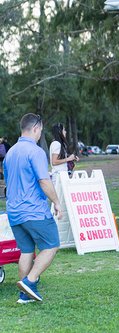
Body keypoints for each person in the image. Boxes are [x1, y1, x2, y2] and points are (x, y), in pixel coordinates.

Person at [3, 113, 62, 303]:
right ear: (35, 128)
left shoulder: (10, 153)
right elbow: (44, 181)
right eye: (40, 131)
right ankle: (30, 281)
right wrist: (57, 202)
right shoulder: (35, 152)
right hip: (34, 211)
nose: (40, 135)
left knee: (27, 251)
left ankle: (25, 295)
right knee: (51, 245)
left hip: (14, 212)